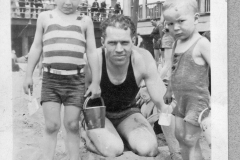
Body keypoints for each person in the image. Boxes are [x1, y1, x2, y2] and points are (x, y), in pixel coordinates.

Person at [22, 0, 101, 159]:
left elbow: (92, 51)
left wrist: (96, 82)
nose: (68, 2)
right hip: (51, 79)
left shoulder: (85, 21)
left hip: (76, 80)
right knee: (52, 125)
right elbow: (37, 46)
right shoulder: (45, 17)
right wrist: (28, 74)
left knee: (72, 125)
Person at [83, 15, 169, 157]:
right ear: (103, 42)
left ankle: (121, 135)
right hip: (97, 113)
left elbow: (162, 102)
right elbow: (77, 99)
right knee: (113, 149)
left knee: (148, 148)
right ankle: (88, 135)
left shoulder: (143, 59)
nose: (119, 49)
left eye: (124, 42)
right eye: (112, 43)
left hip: (127, 112)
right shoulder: (93, 61)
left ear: (133, 41)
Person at [163, 0, 211, 160]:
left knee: (190, 139)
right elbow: (174, 68)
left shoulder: (202, 43)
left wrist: (215, 103)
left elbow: (220, 71)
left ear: (196, 19)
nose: (175, 28)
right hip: (180, 100)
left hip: (197, 101)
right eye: (170, 23)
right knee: (180, 136)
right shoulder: (176, 43)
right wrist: (169, 89)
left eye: (181, 21)